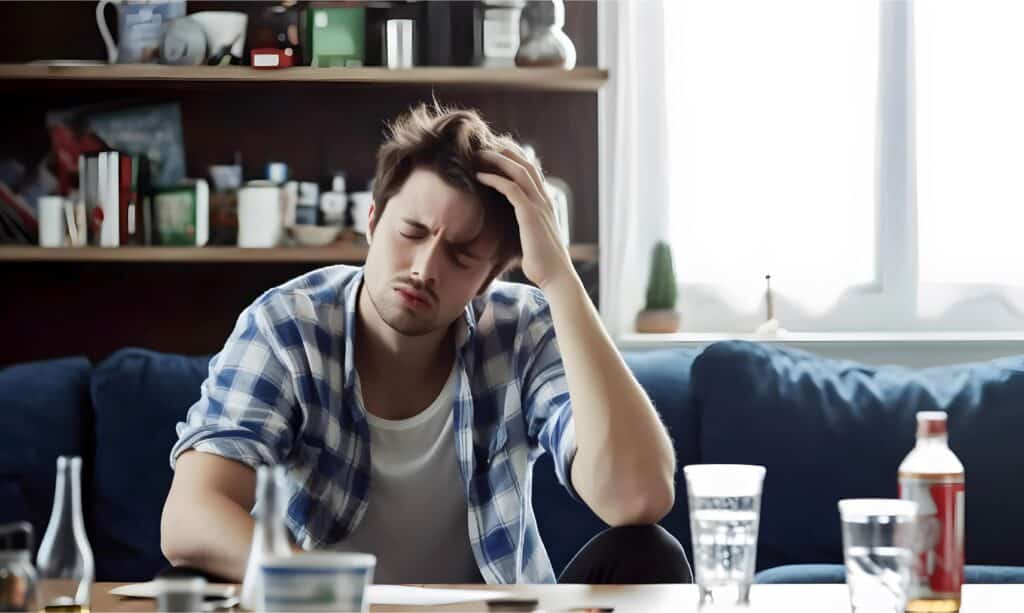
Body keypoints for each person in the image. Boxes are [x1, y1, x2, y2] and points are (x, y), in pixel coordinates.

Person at [161, 103, 691, 585]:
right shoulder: (288, 324)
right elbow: (190, 516)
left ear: (487, 282)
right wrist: (332, 591)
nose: (424, 269)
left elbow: (637, 497)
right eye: (411, 232)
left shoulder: (521, 328)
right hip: (327, 607)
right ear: (372, 221)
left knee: (648, 552)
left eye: (461, 257)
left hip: (491, 608)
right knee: (194, 576)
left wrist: (559, 279)